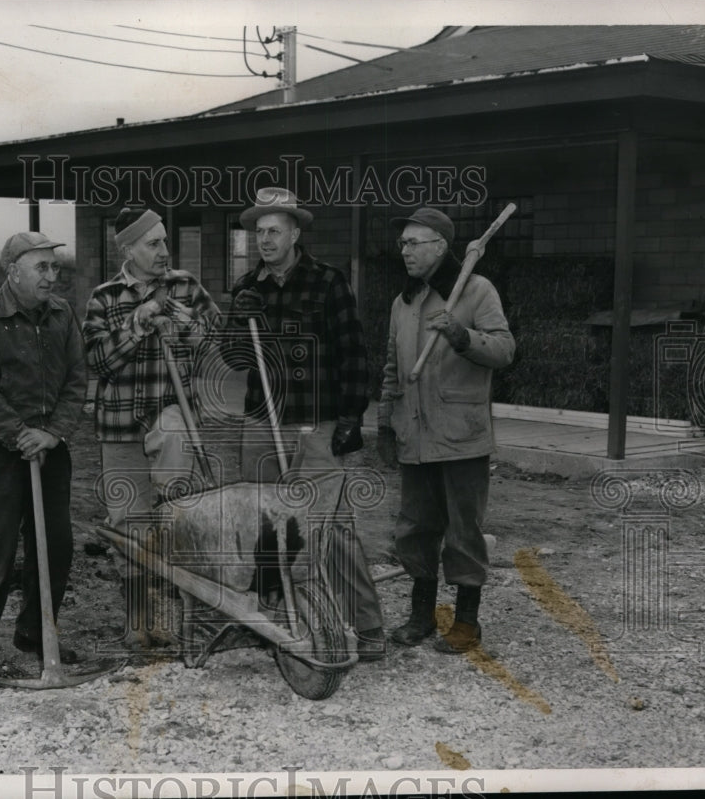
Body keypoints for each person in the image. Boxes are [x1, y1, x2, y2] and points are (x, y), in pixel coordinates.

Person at [222, 186, 386, 662]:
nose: (265, 240)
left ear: (295, 233)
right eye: (259, 232)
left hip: (316, 425)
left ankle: (369, 628)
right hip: (261, 424)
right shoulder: (245, 289)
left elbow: (354, 353)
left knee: (332, 529)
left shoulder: (328, 282)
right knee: (266, 526)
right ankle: (270, 622)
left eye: (275, 230)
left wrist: (352, 417)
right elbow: (231, 359)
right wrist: (239, 322)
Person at [0, 231, 88, 689]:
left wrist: (51, 433)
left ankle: (35, 636)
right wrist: (18, 433)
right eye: (41, 267)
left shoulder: (63, 314)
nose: (52, 276)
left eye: (54, 267)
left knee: (57, 546)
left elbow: (77, 381)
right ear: (13, 271)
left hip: (50, 446)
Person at [82, 207, 221, 649]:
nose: (164, 251)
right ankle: (138, 623)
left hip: (173, 423)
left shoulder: (185, 286)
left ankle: (178, 620)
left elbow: (220, 345)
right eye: (153, 243)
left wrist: (195, 331)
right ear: (127, 249)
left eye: (164, 241)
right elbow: (98, 363)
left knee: (176, 518)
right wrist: (136, 324)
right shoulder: (103, 299)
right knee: (129, 525)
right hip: (120, 428)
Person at [377, 207, 515, 653]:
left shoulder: (475, 291)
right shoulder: (404, 301)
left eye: (413, 243)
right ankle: (421, 616)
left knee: (463, 530)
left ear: (439, 246)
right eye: (402, 244)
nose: (405, 251)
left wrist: (460, 335)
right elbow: (392, 369)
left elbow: (504, 349)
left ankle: (467, 622)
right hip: (413, 436)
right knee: (415, 528)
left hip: (460, 436)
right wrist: (384, 420)